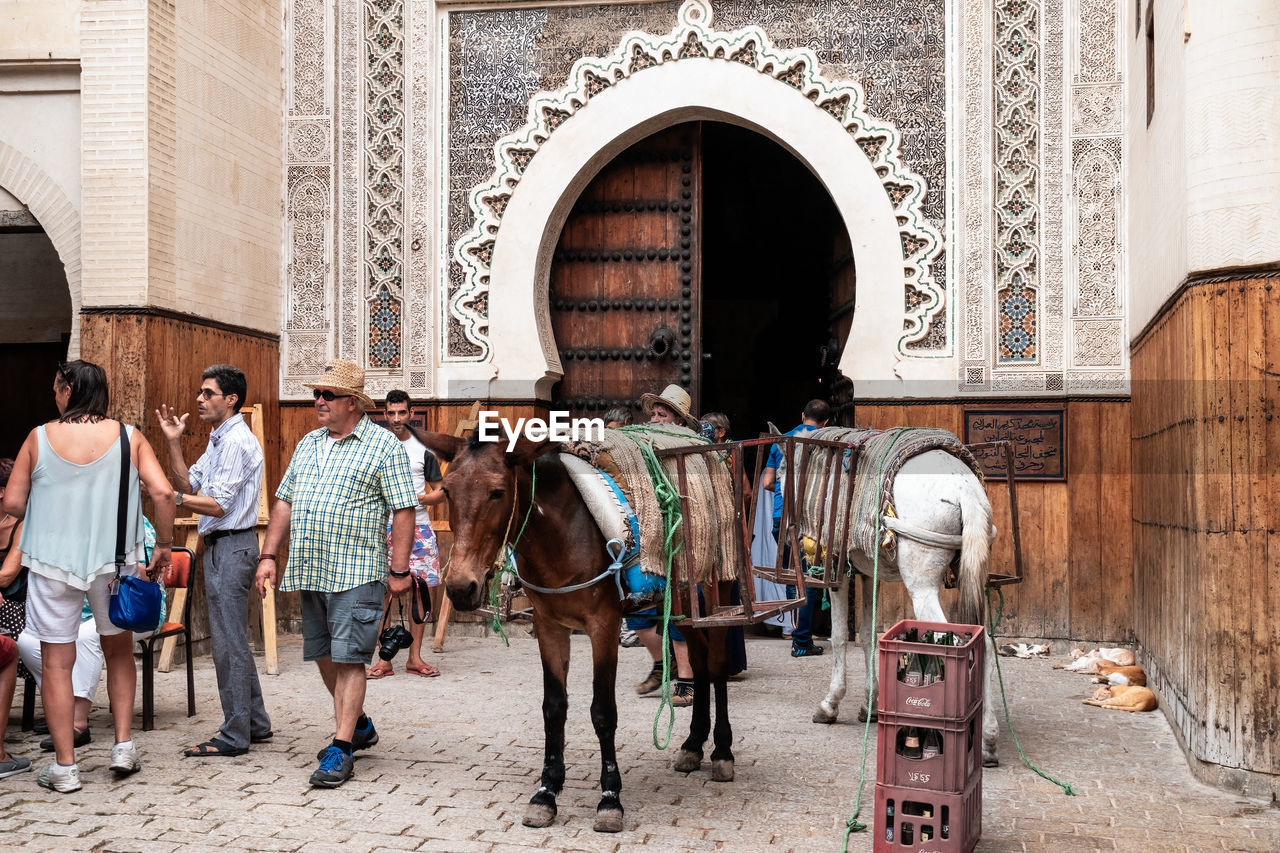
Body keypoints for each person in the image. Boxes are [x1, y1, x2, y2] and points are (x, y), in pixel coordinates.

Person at [2, 360, 176, 793]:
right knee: (118, 653)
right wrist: (166, 545)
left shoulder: (38, 438)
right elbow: (164, 492)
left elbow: (14, 503)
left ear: (67, 389)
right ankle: (122, 746)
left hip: (52, 563)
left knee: (58, 664)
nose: (53, 394)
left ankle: (65, 767)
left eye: (55, 387)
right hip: (115, 563)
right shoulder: (128, 436)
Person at [254, 359, 416, 788]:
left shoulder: (384, 446)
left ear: (353, 403)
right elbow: (284, 501)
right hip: (309, 567)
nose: (319, 401)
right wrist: (268, 554)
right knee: (322, 653)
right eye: (316, 394)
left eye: (327, 395)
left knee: (349, 659)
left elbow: (404, 510)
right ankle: (359, 723)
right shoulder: (308, 443)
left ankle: (341, 748)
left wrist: (400, 569)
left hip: (357, 569)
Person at [155, 364, 272, 758]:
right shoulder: (219, 439)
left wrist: (170, 499)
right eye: (201, 392)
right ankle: (254, 723)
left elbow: (217, 504)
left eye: (208, 393)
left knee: (227, 644)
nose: (200, 399)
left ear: (231, 399)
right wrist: (174, 443)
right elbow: (191, 484)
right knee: (232, 640)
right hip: (223, 547)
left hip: (233, 546)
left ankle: (235, 734)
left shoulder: (238, 441)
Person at [628, 384, 704, 707]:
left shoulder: (691, 449)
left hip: (682, 541)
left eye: (663, 414)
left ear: (679, 420)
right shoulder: (641, 448)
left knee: (680, 611)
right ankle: (662, 665)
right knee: (637, 608)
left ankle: (687, 679)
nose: (656, 419)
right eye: (654, 413)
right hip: (648, 539)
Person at [366, 390, 445, 680]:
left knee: (421, 592)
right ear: (385, 415)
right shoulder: (377, 446)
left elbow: (440, 490)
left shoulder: (423, 449)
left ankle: (414, 658)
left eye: (402, 412)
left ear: (411, 413)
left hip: (420, 528)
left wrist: (420, 500)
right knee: (383, 592)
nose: (397, 418)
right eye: (391, 413)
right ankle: (384, 660)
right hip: (382, 527)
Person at [759, 399, 831, 657]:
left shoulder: (783, 441)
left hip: (782, 515)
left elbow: (767, 482)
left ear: (802, 416)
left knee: (793, 573)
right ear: (825, 422)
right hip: (812, 519)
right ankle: (801, 641)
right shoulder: (828, 440)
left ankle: (793, 630)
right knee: (808, 578)